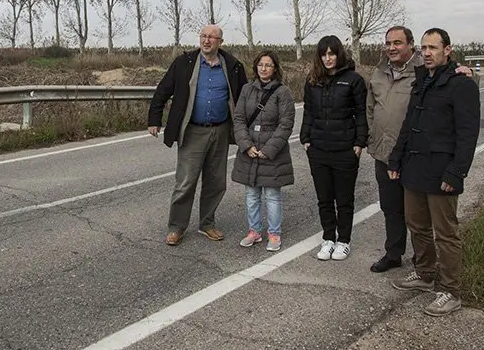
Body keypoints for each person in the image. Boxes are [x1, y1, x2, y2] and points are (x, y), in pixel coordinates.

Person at [387, 27, 480, 317]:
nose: (427, 53)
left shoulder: (461, 84)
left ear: (447, 50)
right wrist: (396, 159)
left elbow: (468, 134)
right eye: (424, 48)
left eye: (433, 48)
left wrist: (457, 173)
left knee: (446, 234)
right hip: (414, 169)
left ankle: (451, 291)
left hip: (442, 172)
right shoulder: (422, 82)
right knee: (418, 226)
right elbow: (408, 125)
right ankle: (425, 274)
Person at [367, 26, 475, 273]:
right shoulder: (379, 72)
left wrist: (472, 75)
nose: (392, 47)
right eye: (388, 43)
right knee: (392, 208)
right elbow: (370, 107)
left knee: (424, 219)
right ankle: (395, 254)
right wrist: (372, 136)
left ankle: (425, 265)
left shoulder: (423, 70)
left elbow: (457, 84)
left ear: (410, 45)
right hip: (386, 154)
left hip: (417, 156)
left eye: (397, 43)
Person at [147, 24, 248, 246]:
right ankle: (176, 227)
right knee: (185, 182)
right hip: (192, 130)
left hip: (220, 130)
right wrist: (154, 119)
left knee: (216, 182)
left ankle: (207, 224)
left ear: (220, 42)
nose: (206, 40)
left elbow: (244, 97)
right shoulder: (184, 63)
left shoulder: (232, 66)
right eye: (203, 36)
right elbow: (163, 90)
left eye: (212, 37)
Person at [300, 35, 368, 261]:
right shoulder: (312, 81)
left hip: (345, 150)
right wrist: (305, 138)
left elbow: (361, 113)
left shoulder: (353, 80)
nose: (328, 58)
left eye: (332, 53)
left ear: (339, 54)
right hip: (318, 149)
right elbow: (308, 112)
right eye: (324, 54)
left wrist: (359, 143)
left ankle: (344, 240)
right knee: (324, 198)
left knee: (344, 199)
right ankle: (328, 238)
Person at [231, 50, 296, 252]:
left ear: (275, 68)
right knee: (251, 194)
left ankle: (274, 234)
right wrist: (246, 145)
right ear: (256, 67)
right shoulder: (247, 89)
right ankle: (254, 231)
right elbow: (239, 118)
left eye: (268, 65)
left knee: (272, 195)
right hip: (250, 148)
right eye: (260, 65)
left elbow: (286, 124)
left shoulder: (283, 92)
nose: (264, 68)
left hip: (272, 151)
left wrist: (269, 149)